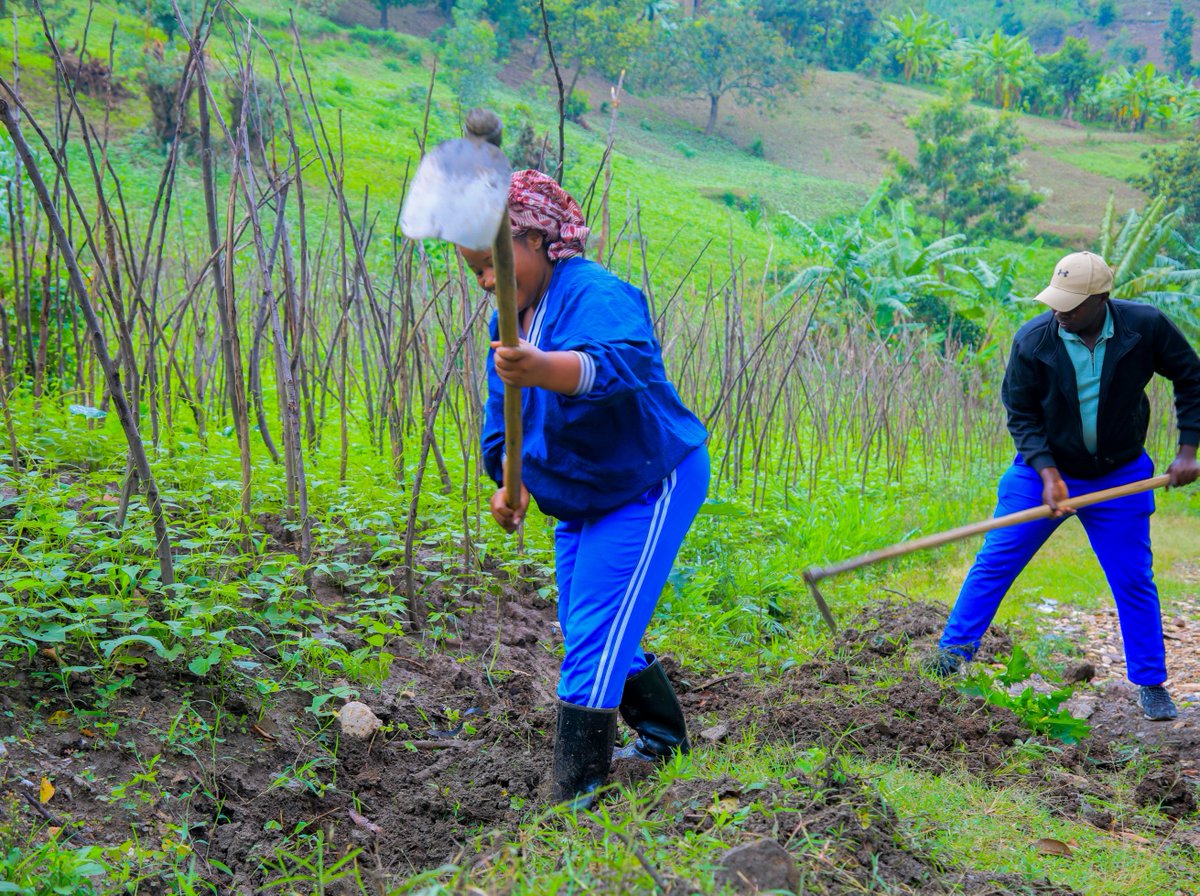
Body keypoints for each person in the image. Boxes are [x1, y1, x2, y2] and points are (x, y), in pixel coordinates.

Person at [458, 169, 709, 807]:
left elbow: (621, 364)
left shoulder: (591, 291)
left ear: (540, 240)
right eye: (477, 272)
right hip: (582, 495)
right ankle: (661, 738)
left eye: (494, 264)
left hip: (644, 480)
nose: (489, 282)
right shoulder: (512, 324)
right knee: (584, 624)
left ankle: (580, 790)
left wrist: (543, 367)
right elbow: (503, 431)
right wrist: (506, 485)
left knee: (594, 632)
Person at [932, 250, 1200, 721]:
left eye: (1073, 305)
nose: (1061, 312)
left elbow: (1192, 377)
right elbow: (1021, 413)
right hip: (1044, 473)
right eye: (1057, 302)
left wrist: (1187, 450)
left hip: (1121, 473)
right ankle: (951, 655)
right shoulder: (1034, 340)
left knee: (1133, 578)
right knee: (997, 558)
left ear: (1102, 299)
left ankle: (1151, 683)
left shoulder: (1145, 327)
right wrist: (1048, 474)